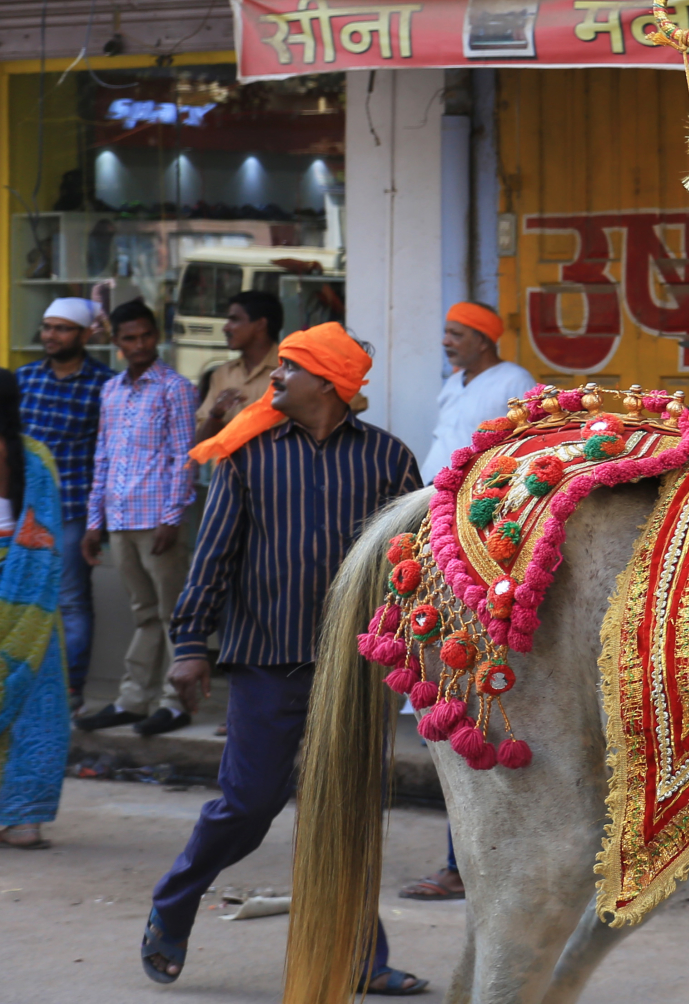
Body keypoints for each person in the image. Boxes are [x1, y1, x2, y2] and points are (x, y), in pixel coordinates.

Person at [148, 324, 427, 992]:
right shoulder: (249, 455)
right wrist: (190, 646)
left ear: (327, 383)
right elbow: (213, 555)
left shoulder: (389, 459)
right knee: (247, 804)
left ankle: (364, 957)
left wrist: (416, 647)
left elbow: (414, 562)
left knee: (346, 811)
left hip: (355, 667)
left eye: (288, 369)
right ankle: (174, 903)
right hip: (268, 658)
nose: (272, 380)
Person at [76, 301, 198, 737]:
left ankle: (175, 703)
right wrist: (95, 522)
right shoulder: (110, 390)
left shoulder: (175, 388)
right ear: (117, 343)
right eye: (130, 337)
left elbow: (185, 458)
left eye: (147, 335)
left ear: (157, 336)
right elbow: (103, 457)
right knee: (144, 612)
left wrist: (172, 517)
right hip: (119, 518)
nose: (141, 344)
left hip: (158, 519)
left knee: (172, 614)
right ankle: (133, 699)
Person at [18, 296, 114, 711]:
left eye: (62, 328)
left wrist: (100, 520)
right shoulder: (25, 379)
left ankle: (70, 688)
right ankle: (24, 682)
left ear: (85, 334)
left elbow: (107, 453)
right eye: (47, 327)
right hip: (25, 510)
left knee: (72, 601)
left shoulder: (104, 384)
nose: (51, 336)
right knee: (21, 596)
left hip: (74, 509)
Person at [0, 371, 71, 849]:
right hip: (32, 594)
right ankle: (24, 819)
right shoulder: (37, 457)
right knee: (37, 706)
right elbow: (47, 531)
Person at [420, 302, 537, 481]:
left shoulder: (515, 380)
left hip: (477, 491)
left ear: (482, 341)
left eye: (456, 335)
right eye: (446, 333)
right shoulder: (453, 381)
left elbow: (530, 440)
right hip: (431, 486)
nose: (445, 341)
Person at [191, 291, 284, 446]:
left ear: (260, 324)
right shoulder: (222, 375)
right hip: (229, 469)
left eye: (234, 320)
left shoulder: (289, 371)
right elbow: (202, 442)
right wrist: (216, 414)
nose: (226, 328)